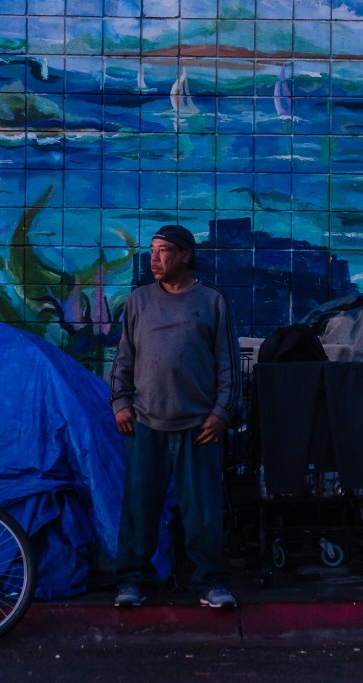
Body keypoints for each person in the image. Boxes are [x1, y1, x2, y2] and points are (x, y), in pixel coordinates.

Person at [109, 224, 241, 608]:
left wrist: (221, 413)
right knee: (139, 509)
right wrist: (120, 403)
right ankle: (131, 581)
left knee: (202, 513)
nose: (155, 258)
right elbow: (123, 360)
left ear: (185, 256)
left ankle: (212, 583)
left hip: (199, 427)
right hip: (146, 424)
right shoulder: (138, 302)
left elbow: (228, 366)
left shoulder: (212, 302)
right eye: (152, 250)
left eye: (164, 251)